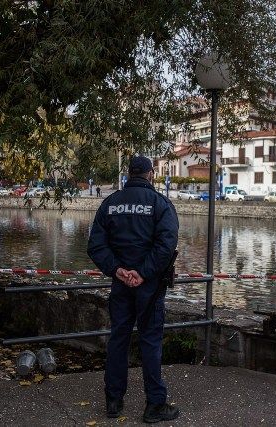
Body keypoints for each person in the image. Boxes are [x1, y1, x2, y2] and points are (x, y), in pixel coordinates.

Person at [87, 155, 180, 423]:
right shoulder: (160, 204)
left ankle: (113, 401)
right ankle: (155, 405)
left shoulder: (110, 203)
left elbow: (95, 245)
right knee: (150, 341)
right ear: (151, 174)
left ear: (129, 174)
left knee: (119, 338)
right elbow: (166, 244)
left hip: (121, 283)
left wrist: (118, 270)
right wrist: (143, 272)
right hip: (148, 286)